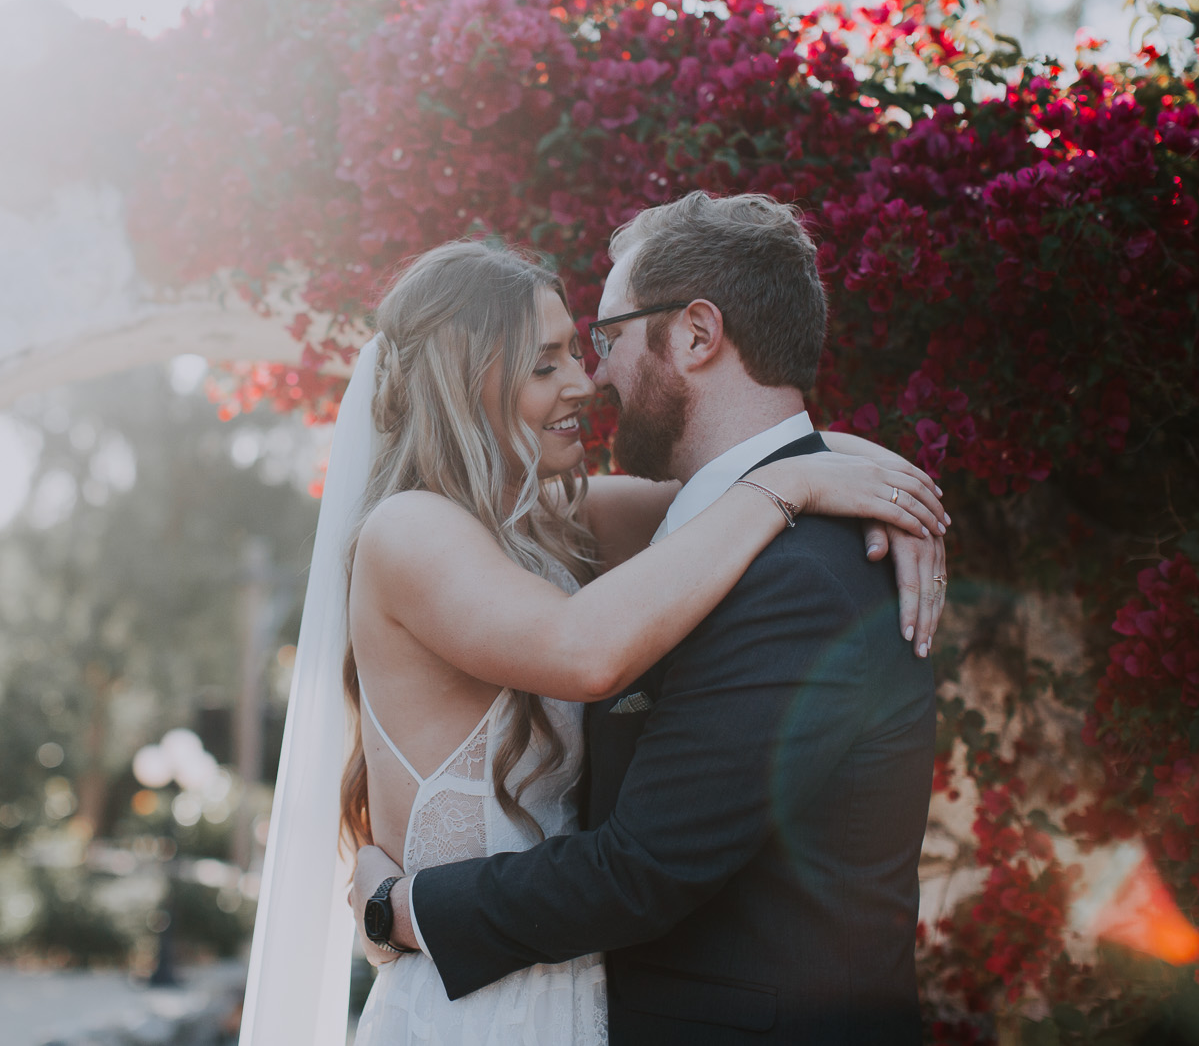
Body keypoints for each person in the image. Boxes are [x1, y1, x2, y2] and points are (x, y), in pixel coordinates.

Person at [236, 207, 948, 1046]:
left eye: (588, 344)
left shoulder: (559, 524)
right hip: (479, 1005)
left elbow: (718, 493)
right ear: (469, 383)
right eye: (547, 363)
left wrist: (861, 476)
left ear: (697, 333)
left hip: (569, 991)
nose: (587, 378)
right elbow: (589, 645)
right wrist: (790, 485)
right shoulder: (411, 531)